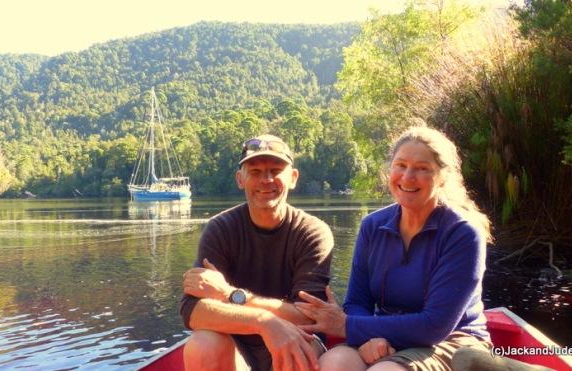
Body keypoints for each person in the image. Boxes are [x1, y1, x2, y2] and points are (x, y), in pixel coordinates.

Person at [295, 125, 493, 371]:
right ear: (390, 169)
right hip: (384, 333)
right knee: (332, 364)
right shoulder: (372, 226)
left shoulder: (462, 234)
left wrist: (348, 327)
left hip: (452, 341)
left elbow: (435, 325)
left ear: (442, 177)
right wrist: (371, 338)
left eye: (422, 169)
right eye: (401, 165)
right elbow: (358, 301)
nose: (408, 177)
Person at [180, 134, 334, 371]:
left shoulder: (313, 233)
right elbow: (193, 312)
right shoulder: (220, 229)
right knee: (203, 344)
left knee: (294, 351)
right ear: (240, 179)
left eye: (275, 170)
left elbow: (309, 318)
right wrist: (263, 322)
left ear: (293, 178)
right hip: (237, 344)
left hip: (298, 339)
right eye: (255, 172)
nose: (266, 180)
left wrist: (229, 294)